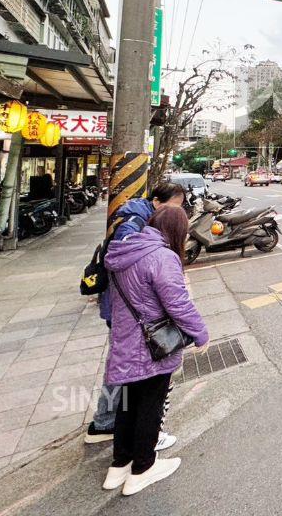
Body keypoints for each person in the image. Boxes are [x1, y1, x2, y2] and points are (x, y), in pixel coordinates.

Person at [101, 205, 208, 496]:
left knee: (127, 405)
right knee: (150, 405)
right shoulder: (162, 257)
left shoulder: (123, 253)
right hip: (152, 346)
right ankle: (143, 468)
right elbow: (178, 304)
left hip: (125, 341)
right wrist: (200, 333)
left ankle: (119, 465)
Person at [86, 183, 186, 445]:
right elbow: (126, 265)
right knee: (131, 374)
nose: (177, 213)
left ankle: (106, 422)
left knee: (121, 369)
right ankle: (123, 430)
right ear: (156, 202)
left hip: (129, 310)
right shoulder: (133, 225)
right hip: (131, 313)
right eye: (174, 206)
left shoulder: (139, 219)